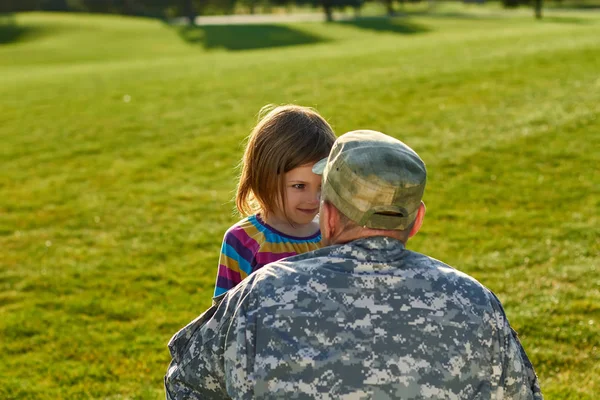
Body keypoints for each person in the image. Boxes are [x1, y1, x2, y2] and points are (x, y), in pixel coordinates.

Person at [166, 130, 543, 399]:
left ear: (328, 216)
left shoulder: (258, 296)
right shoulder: (476, 303)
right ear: (417, 219)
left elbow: (185, 383)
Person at [213, 104, 336, 297]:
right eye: (299, 186)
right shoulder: (243, 241)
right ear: (265, 177)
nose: (314, 199)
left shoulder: (332, 233)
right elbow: (224, 315)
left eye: (322, 186)